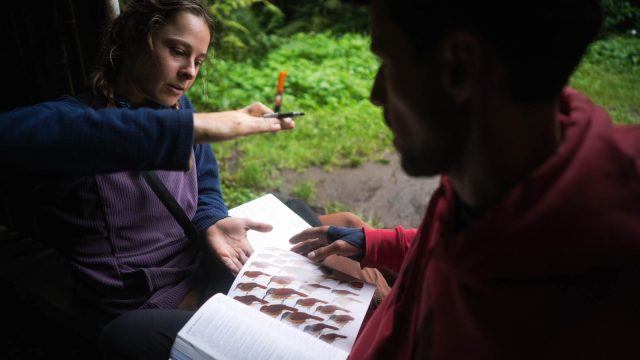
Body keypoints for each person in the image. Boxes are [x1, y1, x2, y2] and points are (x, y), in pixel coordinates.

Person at [289, 0, 640, 359]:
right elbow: (455, 245)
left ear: (458, 68)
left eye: (388, 63)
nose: (376, 95)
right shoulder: (494, 180)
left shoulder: (566, 314)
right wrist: (378, 243)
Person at [2, 0, 294, 343]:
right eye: (178, 51)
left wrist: (212, 221)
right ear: (136, 40)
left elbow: (207, 188)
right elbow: (14, 134)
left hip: (197, 270)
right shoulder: (75, 123)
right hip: (140, 305)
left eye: (198, 61)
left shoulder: (182, 109)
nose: (190, 72)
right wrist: (182, 130)